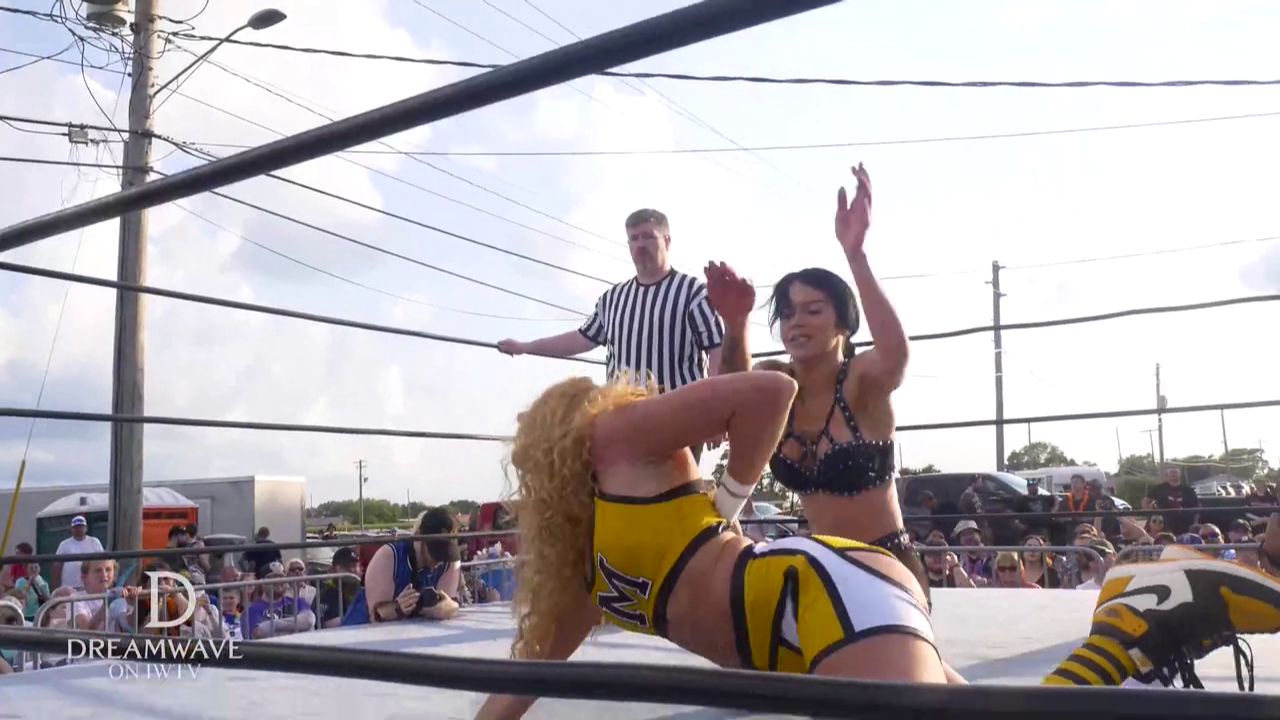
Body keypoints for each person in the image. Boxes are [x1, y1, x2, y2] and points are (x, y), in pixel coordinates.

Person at [473, 371, 1280, 720]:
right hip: (807, 624)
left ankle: (1140, 618)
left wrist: (728, 499)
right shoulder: (581, 579)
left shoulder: (613, 438)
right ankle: (1136, 623)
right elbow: (513, 692)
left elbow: (769, 391)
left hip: (811, 599)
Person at [711, 165, 924, 595]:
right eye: (788, 313)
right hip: (823, 570)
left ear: (843, 324)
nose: (796, 322)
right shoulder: (776, 381)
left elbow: (896, 356)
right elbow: (728, 400)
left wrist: (855, 255)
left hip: (887, 568)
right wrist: (735, 324)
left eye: (813, 310)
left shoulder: (861, 381)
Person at [496, 208, 725, 463]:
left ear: (667, 241)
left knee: (675, 487)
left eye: (648, 237)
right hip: (623, 420)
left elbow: (717, 349)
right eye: (634, 239)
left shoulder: (693, 292)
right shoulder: (613, 299)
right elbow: (580, 339)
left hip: (679, 418)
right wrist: (526, 347)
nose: (640, 245)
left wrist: (715, 411)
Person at [342, 507, 460, 625]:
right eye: (436, 550)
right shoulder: (389, 557)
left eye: (446, 552)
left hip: (413, 630)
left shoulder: (449, 560)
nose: (440, 560)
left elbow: (448, 601)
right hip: (360, 628)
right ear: (418, 537)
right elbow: (375, 614)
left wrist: (450, 607)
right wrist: (398, 608)